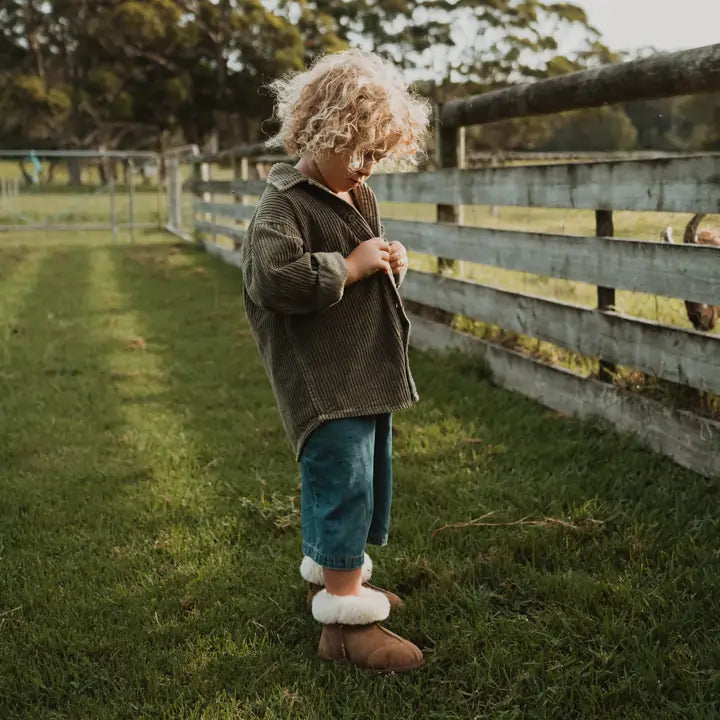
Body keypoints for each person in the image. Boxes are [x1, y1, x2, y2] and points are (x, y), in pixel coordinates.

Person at [240, 48, 430, 672]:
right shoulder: (285, 205)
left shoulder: (352, 192)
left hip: (359, 372)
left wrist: (384, 259)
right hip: (324, 382)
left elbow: (361, 252)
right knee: (343, 483)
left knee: (361, 480)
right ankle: (346, 629)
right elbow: (275, 278)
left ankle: (335, 585)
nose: (369, 167)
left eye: (378, 156)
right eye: (361, 152)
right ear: (325, 132)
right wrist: (348, 267)